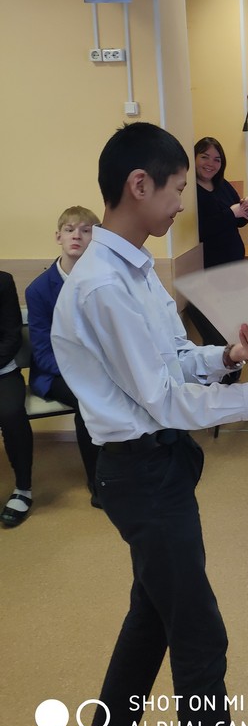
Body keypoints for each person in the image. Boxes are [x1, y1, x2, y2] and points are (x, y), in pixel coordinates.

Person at [52, 122, 248, 726]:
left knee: (153, 613)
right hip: (139, 473)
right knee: (199, 636)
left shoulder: (135, 268)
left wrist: (230, 355)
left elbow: (176, 359)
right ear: (139, 184)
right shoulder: (102, 286)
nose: (183, 202)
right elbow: (166, 401)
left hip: (159, 464)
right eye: (178, 188)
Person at [25, 205, 102, 507]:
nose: (77, 236)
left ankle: (130, 469)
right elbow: (42, 352)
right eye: (70, 230)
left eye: (85, 230)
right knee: (88, 400)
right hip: (55, 373)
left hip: (99, 367)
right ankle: (98, 482)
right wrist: (83, 372)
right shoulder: (39, 290)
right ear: (58, 236)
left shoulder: (104, 280)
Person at [0, 272, 33, 529]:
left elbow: (12, 336)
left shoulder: (3, 281)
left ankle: (23, 488)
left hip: (3, 370)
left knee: (11, 413)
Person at [195, 136, 248, 269]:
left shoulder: (222, 184)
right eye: (204, 157)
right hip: (211, 266)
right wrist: (231, 213)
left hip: (235, 261)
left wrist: (246, 208)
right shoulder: (189, 191)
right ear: (194, 158)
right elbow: (200, 230)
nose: (210, 163)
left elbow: (240, 221)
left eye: (217, 160)